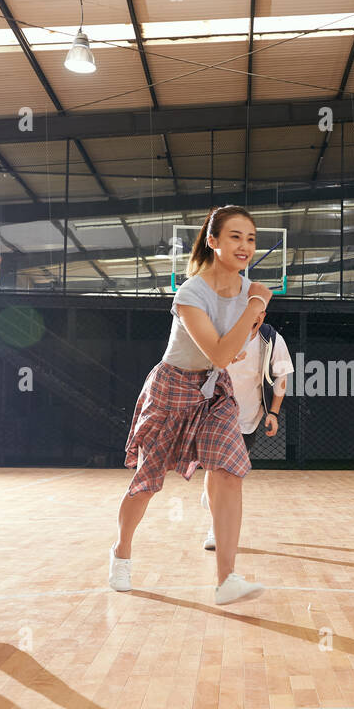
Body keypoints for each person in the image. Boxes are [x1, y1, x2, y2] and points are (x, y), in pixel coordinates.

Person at [111, 204, 271, 605]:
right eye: (235, 236)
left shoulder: (246, 288)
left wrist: (251, 314)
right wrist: (255, 307)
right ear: (213, 241)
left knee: (230, 471)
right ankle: (121, 551)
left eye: (250, 238)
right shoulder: (191, 293)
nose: (245, 246)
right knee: (146, 484)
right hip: (172, 390)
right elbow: (220, 351)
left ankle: (227, 578)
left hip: (214, 391)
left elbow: (233, 352)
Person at [201, 309, 294, 550]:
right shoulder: (219, 332)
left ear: (261, 316)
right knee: (216, 469)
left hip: (248, 415)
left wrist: (273, 412)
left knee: (232, 474)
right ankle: (215, 527)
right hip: (215, 410)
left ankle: (211, 496)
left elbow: (282, 375)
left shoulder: (271, 340)